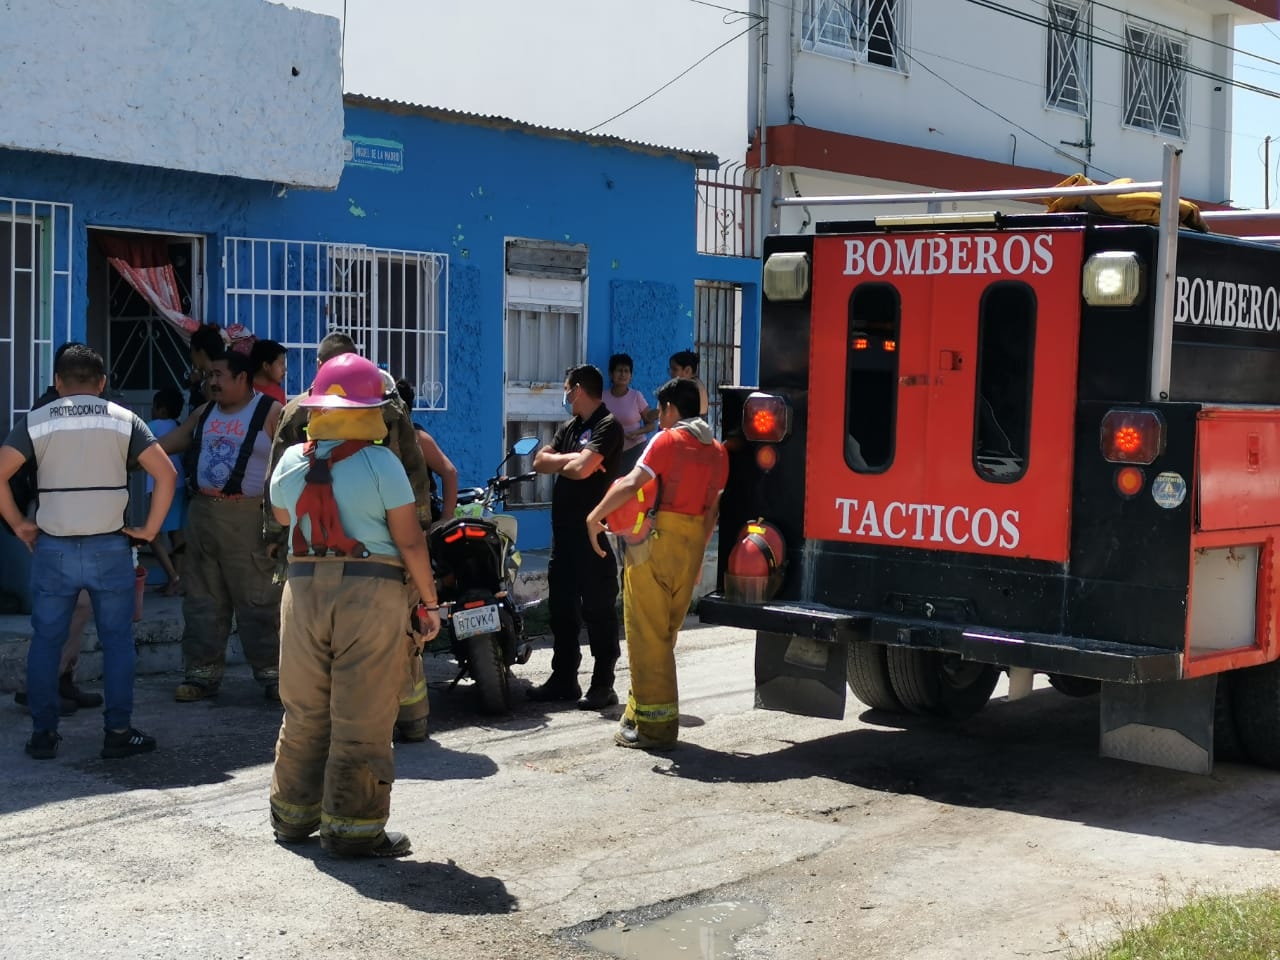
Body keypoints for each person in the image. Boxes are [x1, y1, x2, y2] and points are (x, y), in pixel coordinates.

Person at [268, 352, 442, 858]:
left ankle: (292, 817)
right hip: (371, 592)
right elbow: (410, 542)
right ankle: (353, 828)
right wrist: (429, 604)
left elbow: (282, 517)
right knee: (362, 713)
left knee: (303, 709)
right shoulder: (383, 462)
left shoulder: (290, 460)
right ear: (373, 412)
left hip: (301, 592)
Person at [0, 343, 177, 760]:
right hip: (110, 549)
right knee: (117, 642)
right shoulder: (123, 420)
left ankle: (43, 735)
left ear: (58, 383)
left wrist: (18, 524)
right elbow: (166, 474)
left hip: (53, 549)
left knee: (46, 642)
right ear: (102, 383)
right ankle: (118, 731)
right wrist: (150, 530)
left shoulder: (37, 421)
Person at [586, 377, 728, 751]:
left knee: (647, 638)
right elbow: (712, 510)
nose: (659, 419)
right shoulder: (717, 450)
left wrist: (595, 517)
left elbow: (632, 482)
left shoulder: (666, 440)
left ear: (670, 410)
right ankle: (635, 714)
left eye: (661, 411)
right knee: (663, 637)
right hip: (692, 548)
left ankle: (655, 729)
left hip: (654, 548)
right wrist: (697, 561)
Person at [160, 350, 283, 701]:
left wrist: (282, 524)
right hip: (203, 516)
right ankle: (201, 675)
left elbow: (293, 462)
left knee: (258, 600)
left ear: (242, 378)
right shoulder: (204, 413)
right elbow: (172, 443)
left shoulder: (271, 413)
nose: (210, 381)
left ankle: (274, 676)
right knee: (201, 599)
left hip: (249, 519)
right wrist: (134, 455)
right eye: (209, 374)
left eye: (217, 374)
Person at [6, 342, 107, 715]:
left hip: (70, 518)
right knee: (70, 606)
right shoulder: (49, 414)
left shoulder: (56, 410)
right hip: (57, 518)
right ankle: (44, 686)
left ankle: (61, 680)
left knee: (74, 606)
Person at [528, 364, 624, 711]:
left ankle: (603, 684)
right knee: (562, 610)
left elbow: (583, 470)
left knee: (598, 608)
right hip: (564, 536)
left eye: (568, 389)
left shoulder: (608, 425)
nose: (565, 395)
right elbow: (540, 460)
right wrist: (573, 460)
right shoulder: (571, 427)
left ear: (580, 389)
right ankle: (564, 678)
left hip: (593, 536)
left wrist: (571, 463)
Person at [394, 377, 458, 522]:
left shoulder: (418, 437)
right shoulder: (377, 437)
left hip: (421, 517)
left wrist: (446, 518)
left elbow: (450, 472)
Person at [146, 386, 189, 596]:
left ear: (160, 409)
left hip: (158, 486)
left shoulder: (152, 426)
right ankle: (177, 580)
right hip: (179, 484)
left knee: (152, 535)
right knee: (177, 534)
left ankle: (174, 577)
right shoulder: (179, 426)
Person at [601, 353, 657, 474]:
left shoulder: (636, 396)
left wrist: (637, 433)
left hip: (635, 450)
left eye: (627, 371)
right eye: (619, 370)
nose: (623, 374)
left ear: (631, 375)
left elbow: (651, 424)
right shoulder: (602, 397)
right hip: (610, 451)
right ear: (611, 374)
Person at [186, 323, 225, 412]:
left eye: (192, 350)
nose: (191, 355)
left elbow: (210, 415)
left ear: (201, 352)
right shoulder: (217, 377)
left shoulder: (210, 383)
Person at [669, 349, 710, 419]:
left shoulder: (690, 388)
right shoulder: (697, 384)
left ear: (688, 370)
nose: (671, 373)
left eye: (675, 369)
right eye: (670, 369)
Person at [249, 339, 288, 406]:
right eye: (281, 363)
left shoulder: (279, 393)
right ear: (266, 366)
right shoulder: (245, 390)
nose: (285, 369)